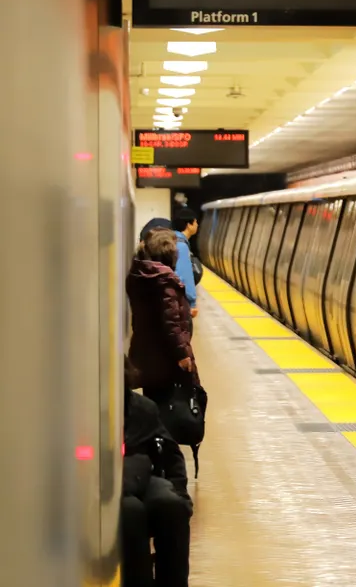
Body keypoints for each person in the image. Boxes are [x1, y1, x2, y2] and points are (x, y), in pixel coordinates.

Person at [122, 362, 193, 587]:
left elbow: (172, 454)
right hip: (107, 486)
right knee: (131, 513)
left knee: (172, 506)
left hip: (142, 478)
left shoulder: (143, 408)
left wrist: (180, 491)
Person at [127, 227, 198, 404]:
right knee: (170, 405)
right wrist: (182, 354)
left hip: (146, 351)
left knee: (153, 397)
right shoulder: (165, 281)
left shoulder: (140, 276)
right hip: (166, 358)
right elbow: (171, 323)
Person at [171, 209, 200, 319]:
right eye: (196, 222)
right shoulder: (181, 246)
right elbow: (184, 276)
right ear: (189, 225)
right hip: (179, 302)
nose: (197, 225)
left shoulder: (172, 240)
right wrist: (192, 303)